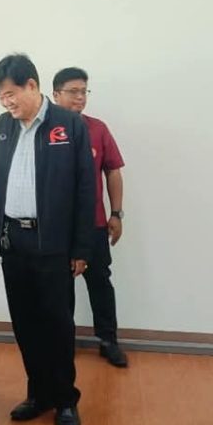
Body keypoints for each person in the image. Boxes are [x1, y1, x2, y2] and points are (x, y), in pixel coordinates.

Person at [0, 54, 96, 425]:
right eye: (0, 96)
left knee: (57, 325)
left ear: (32, 85)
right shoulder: (2, 128)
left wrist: (82, 248)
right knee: (25, 324)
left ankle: (65, 400)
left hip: (54, 243)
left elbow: (85, 189)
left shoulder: (68, 125)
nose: (6, 102)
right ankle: (39, 393)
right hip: (14, 240)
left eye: (10, 93)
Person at [51, 67, 128, 368]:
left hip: (93, 223)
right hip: (57, 228)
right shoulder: (44, 130)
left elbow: (113, 171)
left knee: (100, 283)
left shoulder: (97, 128)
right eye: (73, 91)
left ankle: (108, 340)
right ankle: (62, 342)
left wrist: (116, 213)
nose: (80, 97)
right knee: (60, 288)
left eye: (84, 91)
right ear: (55, 94)